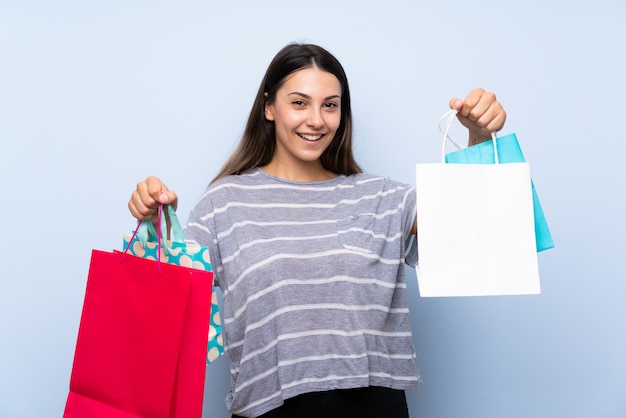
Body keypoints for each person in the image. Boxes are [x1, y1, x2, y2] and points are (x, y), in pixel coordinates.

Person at [128, 43, 506, 418]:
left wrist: (477, 136)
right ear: (268, 107)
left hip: (374, 406)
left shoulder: (380, 196)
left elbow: (471, 233)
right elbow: (169, 311)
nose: (316, 120)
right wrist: (157, 226)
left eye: (330, 104)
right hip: (268, 408)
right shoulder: (224, 202)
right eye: (299, 102)